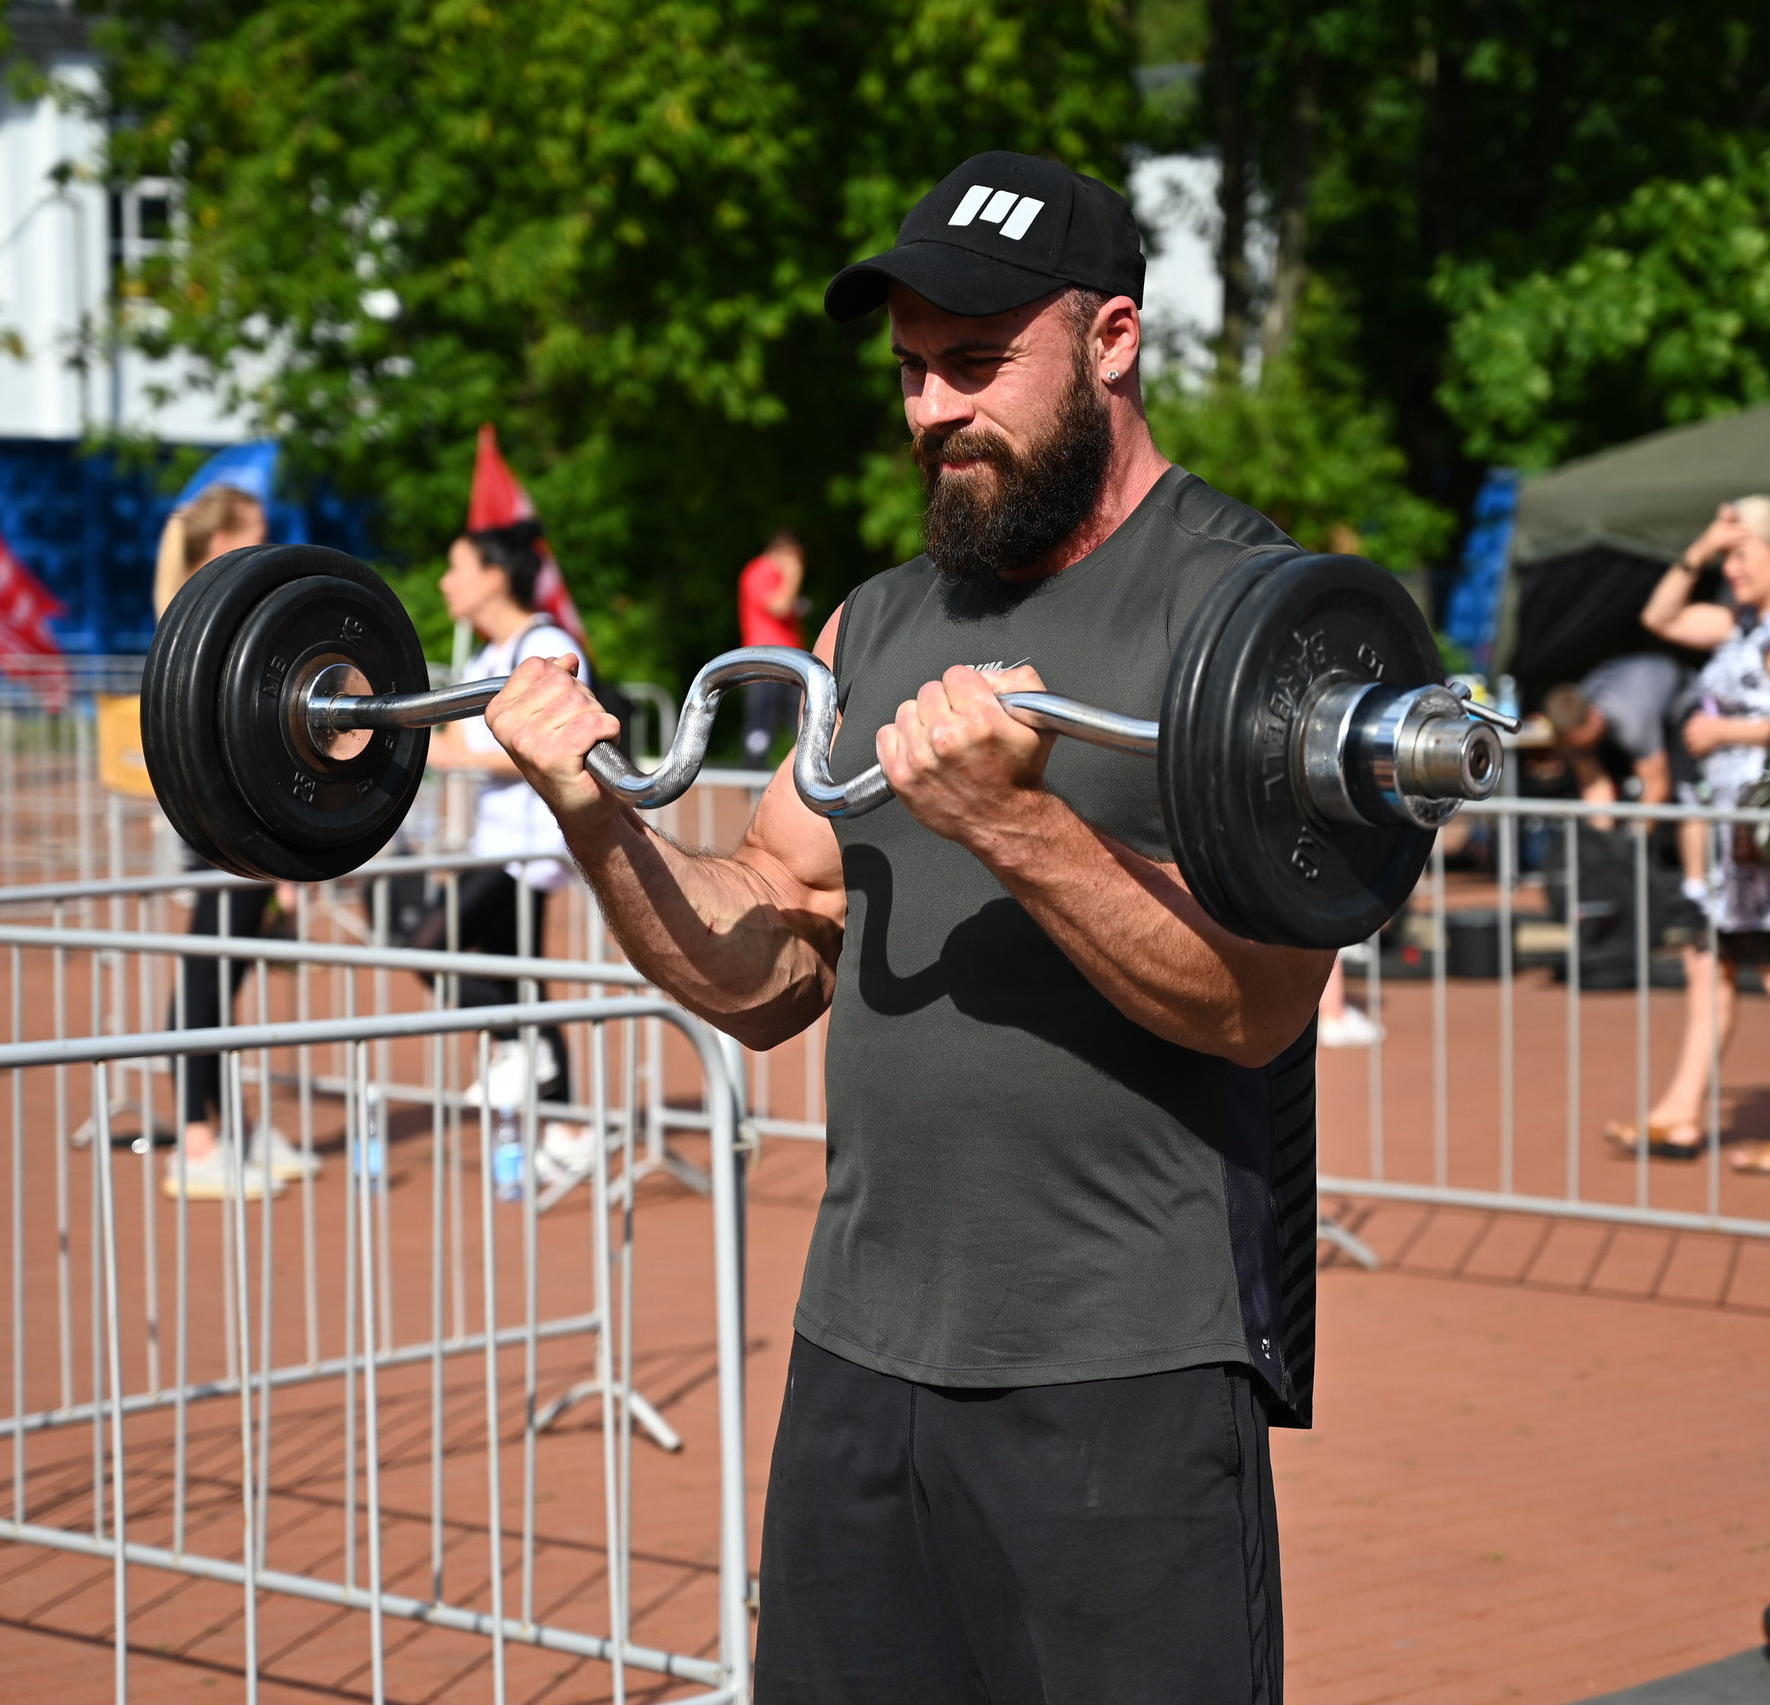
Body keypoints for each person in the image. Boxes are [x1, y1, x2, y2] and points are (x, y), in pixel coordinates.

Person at [482, 152, 1320, 1702]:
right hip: (863, 1358)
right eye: (912, 371)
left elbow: (1255, 1002)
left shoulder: (1247, 609)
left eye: (978, 363)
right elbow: (767, 955)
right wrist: (591, 810)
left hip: (1121, 1368)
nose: (935, 408)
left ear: (1113, 339)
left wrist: (1014, 822)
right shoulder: (877, 621)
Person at [1607, 499, 1770, 1173]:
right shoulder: (1745, 621)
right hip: (1736, 831)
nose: (1732, 568)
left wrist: (1722, 732)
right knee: (1711, 963)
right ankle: (1681, 1111)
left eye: (1743, 554)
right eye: (1729, 557)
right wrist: (1702, 547)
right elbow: (1660, 617)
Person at [152, 484, 318, 1199]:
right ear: (221, 542)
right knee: (205, 984)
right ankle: (197, 1140)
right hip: (228, 828)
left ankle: (230, 1129)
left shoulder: (202, 615)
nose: (267, 542)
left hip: (233, 826)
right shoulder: (209, 620)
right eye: (256, 529)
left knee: (217, 983)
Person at [428, 518, 595, 1177]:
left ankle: (519, 1048)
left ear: (495, 577)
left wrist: (456, 756)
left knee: (428, 945)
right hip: (493, 842)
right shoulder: (484, 658)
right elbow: (463, 743)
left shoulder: (546, 645)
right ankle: (568, 1124)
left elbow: (557, 743)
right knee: (519, 978)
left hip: (531, 847)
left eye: (457, 567)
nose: (445, 582)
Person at [1544, 653, 1683, 830]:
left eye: (1580, 744)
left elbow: (1657, 787)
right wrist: (1602, 837)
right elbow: (1594, 788)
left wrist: (1632, 837)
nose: (1579, 750)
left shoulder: (1633, 722)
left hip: (1682, 700)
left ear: (1593, 718)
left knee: (1687, 794)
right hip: (1635, 696)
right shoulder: (1578, 704)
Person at [737, 529, 810, 766]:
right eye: (796, 556)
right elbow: (780, 606)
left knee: (802, 722)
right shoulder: (759, 571)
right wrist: (794, 573)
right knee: (761, 726)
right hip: (764, 660)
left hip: (790, 661)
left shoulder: (775, 575)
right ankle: (752, 777)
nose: (799, 562)